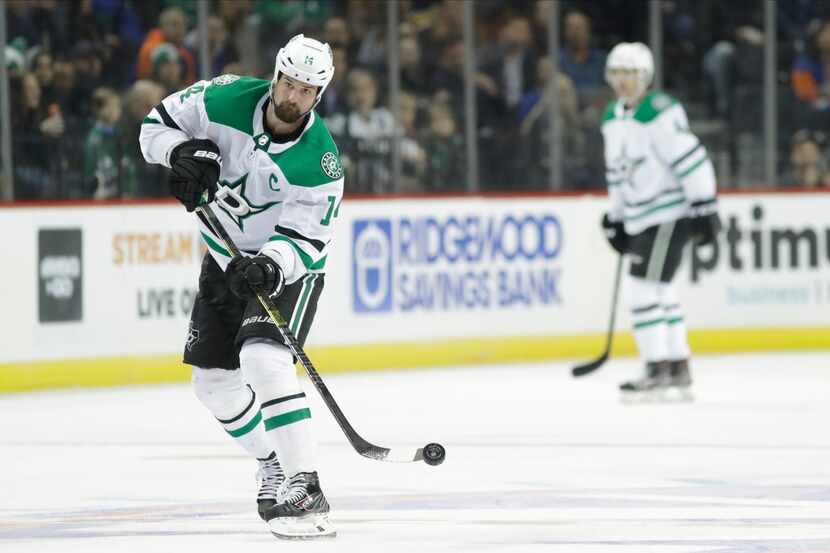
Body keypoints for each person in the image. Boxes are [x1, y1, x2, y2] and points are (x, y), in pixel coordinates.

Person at [139, 34, 343, 539]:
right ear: (276, 75)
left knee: (263, 359)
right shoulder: (223, 97)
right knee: (212, 383)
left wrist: (271, 264)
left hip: (285, 271)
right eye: (289, 83)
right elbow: (153, 128)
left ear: (319, 96)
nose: (293, 97)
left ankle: (306, 483)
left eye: (306, 90)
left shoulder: (320, 162)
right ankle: (273, 460)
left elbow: (307, 239)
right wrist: (181, 151)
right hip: (221, 259)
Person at [599, 42, 721, 400]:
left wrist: (704, 204)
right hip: (640, 217)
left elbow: (692, 159)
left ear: (645, 76)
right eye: (617, 73)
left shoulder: (659, 113)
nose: (623, 81)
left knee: (642, 289)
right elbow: (616, 172)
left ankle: (656, 367)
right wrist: (616, 217)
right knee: (662, 290)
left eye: (630, 73)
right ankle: (677, 365)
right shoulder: (612, 117)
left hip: (667, 214)